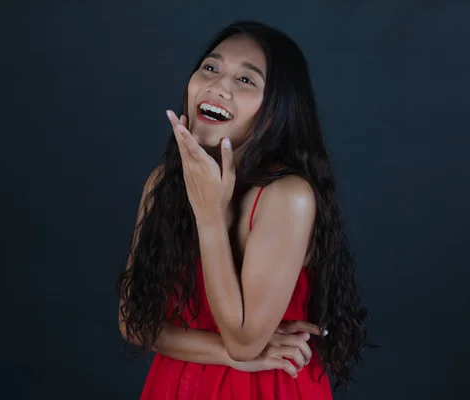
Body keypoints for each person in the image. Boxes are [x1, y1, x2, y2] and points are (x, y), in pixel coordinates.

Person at [116, 21, 369, 399]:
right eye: (211, 68)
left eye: (246, 81)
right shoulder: (162, 183)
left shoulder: (288, 196)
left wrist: (210, 215)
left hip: (267, 389)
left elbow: (244, 341)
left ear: (276, 110)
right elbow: (134, 324)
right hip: (176, 386)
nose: (218, 87)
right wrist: (230, 355)